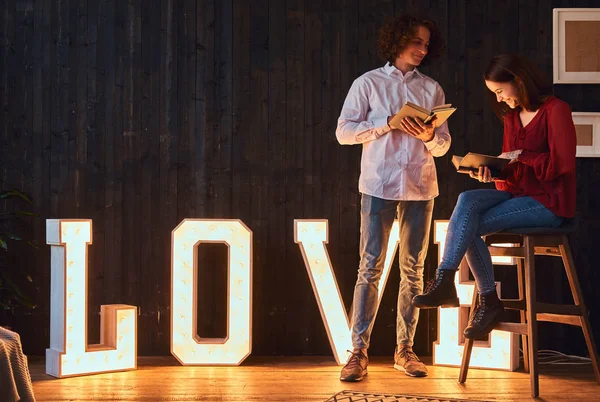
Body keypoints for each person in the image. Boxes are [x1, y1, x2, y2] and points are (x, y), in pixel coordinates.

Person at [413, 53, 576, 340]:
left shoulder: (556, 110)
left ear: (519, 81)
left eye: (500, 91)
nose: (499, 99)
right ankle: (456, 286)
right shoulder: (512, 119)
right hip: (518, 197)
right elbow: (511, 179)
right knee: (467, 201)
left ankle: (474, 296)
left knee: (470, 224)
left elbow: (560, 167)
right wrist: (493, 173)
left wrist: (523, 156)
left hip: (550, 202)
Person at [335, 14, 450, 381]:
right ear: (398, 41)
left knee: (414, 271)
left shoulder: (431, 89)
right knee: (369, 268)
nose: (422, 49)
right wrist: (388, 124)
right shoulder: (367, 83)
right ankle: (358, 352)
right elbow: (343, 133)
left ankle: (405, 350)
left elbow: (443, 146)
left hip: (420, 186)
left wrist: (429, 134)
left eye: (427, 44)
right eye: (417, 41)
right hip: (378, 184)